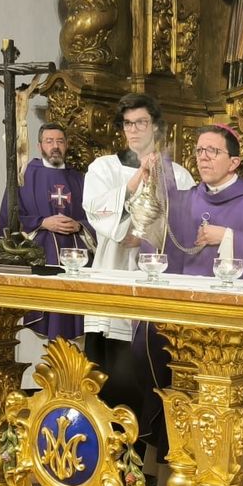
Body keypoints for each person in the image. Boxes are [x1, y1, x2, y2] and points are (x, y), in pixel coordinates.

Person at [83, 94, 194, 441]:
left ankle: (147, 458)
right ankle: (111, 452)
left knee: (148, 371)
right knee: (110, 375)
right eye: (128, 124)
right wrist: (137, 178)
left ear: (156, 127)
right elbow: (97, 210)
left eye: (141, 123)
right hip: (113, 277)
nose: (133, 130)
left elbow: (186, 226)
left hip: (157, 280)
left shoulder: (177, 173)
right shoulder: (103, 167)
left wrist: (146, 235)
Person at [148, 125, 243, 281]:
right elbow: (156, 240)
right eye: (199, 150)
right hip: (186, 297)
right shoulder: (184, 202)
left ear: (233, 163)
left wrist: (226, 237)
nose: (203, 157)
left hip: (230, 300)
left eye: (213, 151)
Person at [0, 122, 90, 340]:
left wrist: (80, 226)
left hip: (76, 252)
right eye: (49, 141)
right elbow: (10, 216)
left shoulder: (79, 179)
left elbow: (97, 216)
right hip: (40, 249)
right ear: (40, 146)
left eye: (59, 141)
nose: (55, 146)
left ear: (66, 145)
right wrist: (41, 223)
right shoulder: (24, 175)